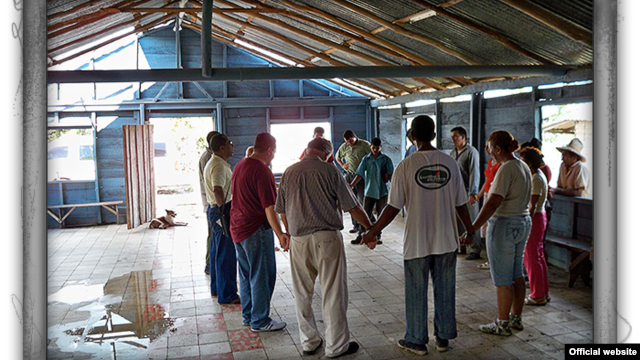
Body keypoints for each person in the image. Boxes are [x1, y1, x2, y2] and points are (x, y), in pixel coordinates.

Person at [362, 115, 475, 355]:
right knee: (445, 290)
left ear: (412, 136)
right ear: (434, 135)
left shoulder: (406, 165)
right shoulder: (449, 162)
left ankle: (416, 340)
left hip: (417, 242)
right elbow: (461, 204)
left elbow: (392, 207)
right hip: (447, 240)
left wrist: (372, 231)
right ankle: (443, 338)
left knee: (416, 291)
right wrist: (470, 230)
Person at [275, 137, 373, 358]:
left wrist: (289, 232)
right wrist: (370, 228)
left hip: (298, 240)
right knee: (333, 292)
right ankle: (336, 347)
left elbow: (281, 208)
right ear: (328, 154)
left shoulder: (290, 171)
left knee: (302, 293)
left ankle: (309, 342)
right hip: (327, 239)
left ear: (306, 149)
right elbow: (353, 206)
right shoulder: (330, 170)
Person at [460, 130, 532, 336]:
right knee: (516, 273)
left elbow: (492, 203)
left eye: (489, 146)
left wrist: (472, 228)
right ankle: (516, 318)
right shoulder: (523, 166)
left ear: (498, 149)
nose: (487, 150)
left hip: (504, 224)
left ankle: (502, 323)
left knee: (502, 278)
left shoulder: (505, 169)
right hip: (522, 221)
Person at [230, 132, 290, 332]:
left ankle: (249, 316)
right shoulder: (262, 171)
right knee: (262, 275)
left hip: (238, 228)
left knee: (247, 275)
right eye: (274, 153)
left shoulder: (240, 165)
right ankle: (260, 320)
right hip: (255, 230)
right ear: (270, 150)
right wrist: (281, 233)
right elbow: (269, 208)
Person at [203, 133, 240, 304]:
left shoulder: (216, 162)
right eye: (230, 143)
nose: (233, 146)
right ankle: (227, 294)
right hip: (221, 211)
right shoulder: (217, 165)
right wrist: (224, 212)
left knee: (218, 251)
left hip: (216, 210)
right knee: (226, 253)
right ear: (222, 148)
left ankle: (218, 289)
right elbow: (218, 190)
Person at [519, 146, 550, 306]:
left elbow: (532, 205)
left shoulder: (536, 178)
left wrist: (526, 223)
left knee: (531, 258)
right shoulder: (537, 175)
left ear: (529, 163)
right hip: (539, 217)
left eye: (523, 161)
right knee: (538, 256)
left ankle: (537, 295)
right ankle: (543, 291)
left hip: (535, 218)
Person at [349, 137, 394, 245]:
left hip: (382, 191)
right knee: (365, 213)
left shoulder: (386, 159)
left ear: (380, 147)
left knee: (381, 214)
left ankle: (377, 236)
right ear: (370, 147)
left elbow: (391, 175)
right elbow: (359, 173)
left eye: (377, 148)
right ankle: (361, 234)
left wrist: (394, 187)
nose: (375, 150)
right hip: (369, 191)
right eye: (373, 148)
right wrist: (351, 185)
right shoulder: (366, 159)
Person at [450, 126, 482, 259]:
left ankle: (475, 249)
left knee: (472, 220)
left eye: (455, 136)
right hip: (455, 191)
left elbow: (474, 173)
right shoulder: (453, 152)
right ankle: (461, 245)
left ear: (463, 137)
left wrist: (473, 193)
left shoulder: (471, 152)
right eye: (452, 136)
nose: (453, 139)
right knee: (458, 219)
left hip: (468, 192)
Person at [469, 141, 501, 270]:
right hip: (487, 195)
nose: (486, 149)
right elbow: (487, 181)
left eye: (488, 146)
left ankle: (495, 260)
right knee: (487, 230)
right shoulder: (490, 162)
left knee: (494, 230)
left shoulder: (502, 165)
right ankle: (490, 259)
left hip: (495, 196)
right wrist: (478, 195)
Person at [335, 130, 371, 233]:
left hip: (362, 176)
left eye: (351, 141)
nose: (349, 143)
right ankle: (355, 225)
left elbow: (371, 157)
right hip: (349, 175)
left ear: (355, 136)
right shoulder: (344, 147)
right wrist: (342, 165)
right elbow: (337, 158)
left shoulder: (364, 144)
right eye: (348, 142)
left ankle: (366, 224)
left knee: (363, 199)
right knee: (351, 201)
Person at [199, 130, 220, 274]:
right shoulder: (209, 158)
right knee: (214, 235)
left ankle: (211, 263)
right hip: (212, 203)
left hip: (211, 202)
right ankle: (209, 264)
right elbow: (215, 187)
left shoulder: (209, 157)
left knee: (213, 234)